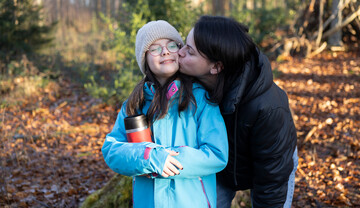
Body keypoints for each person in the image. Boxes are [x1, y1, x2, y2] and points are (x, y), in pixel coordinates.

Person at [102, 20, 228, 208]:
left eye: (172, 45)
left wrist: (170, 160)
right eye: (155, 48)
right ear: (144, 58)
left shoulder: (200, 99)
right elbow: (112, 150)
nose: (165, 52)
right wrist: (149, 157)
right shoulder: (135, 104)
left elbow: (217, 154)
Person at [178, 15, 298, 208]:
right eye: (184, 45)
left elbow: (271, 183)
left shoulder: (268, 107)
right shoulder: (188, 81)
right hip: (219, 165)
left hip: (269, 164)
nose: (179, 53)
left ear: (216, 67)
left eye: (189, 52)